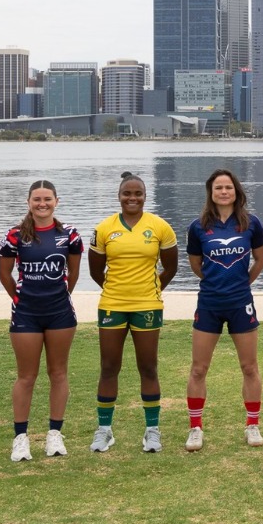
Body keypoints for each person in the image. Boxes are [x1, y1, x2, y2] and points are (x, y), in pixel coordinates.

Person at [88, 171, 178, 454]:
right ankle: (104, 431)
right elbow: (95, 271)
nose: (132, 198)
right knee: (108, 366)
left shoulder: (160, 226)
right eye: (127, 193)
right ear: (119, 196)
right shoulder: (104, 228)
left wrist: (150, 290)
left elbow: (171, 268)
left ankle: (152, 431)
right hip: (113, 305)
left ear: (145, 196)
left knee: (148, 367)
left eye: (137, 193)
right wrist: (118, 290)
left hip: (148, 306)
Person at [0, 179, 83, 462]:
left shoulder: (69, 235)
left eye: (47, 199)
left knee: (58, 373)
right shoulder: (14, 236)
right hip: (26, 314)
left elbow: (72, 274)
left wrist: (59, 297)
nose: (42, 204)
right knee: (26, 376)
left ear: (56, 201)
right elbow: (4, 275)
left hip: (60, 313)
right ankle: (20, 438)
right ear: (29, 202)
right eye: (37, 199)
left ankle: (54, 434)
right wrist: (20, 299)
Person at [181, 169, 263, 451]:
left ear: (236, 191)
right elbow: (196, 265)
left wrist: (242, 284)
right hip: (209, 303)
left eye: (228, 187)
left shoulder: (251, 224)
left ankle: (252, 425)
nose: (223, 192)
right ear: (211, 192)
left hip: (241, 303)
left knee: (249, 366)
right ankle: (195, 428)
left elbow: (260, 260)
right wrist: (213, 283)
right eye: (218, 188)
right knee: (198, 368)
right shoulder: (198, 227)